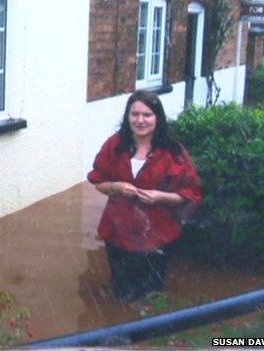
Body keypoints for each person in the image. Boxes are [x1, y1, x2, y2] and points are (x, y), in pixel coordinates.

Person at [87, 90, 202, 303]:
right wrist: (116, 186)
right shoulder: (115, 145)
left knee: (150, 298)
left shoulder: (173, 152)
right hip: (118, 233)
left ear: (157, 118)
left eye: (147, 115)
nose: (140, 120)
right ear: (127, 117)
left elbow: (190, 194)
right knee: (121, 294)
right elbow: (98, 182)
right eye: (135, 114)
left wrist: (160, 197)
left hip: (157, 236)